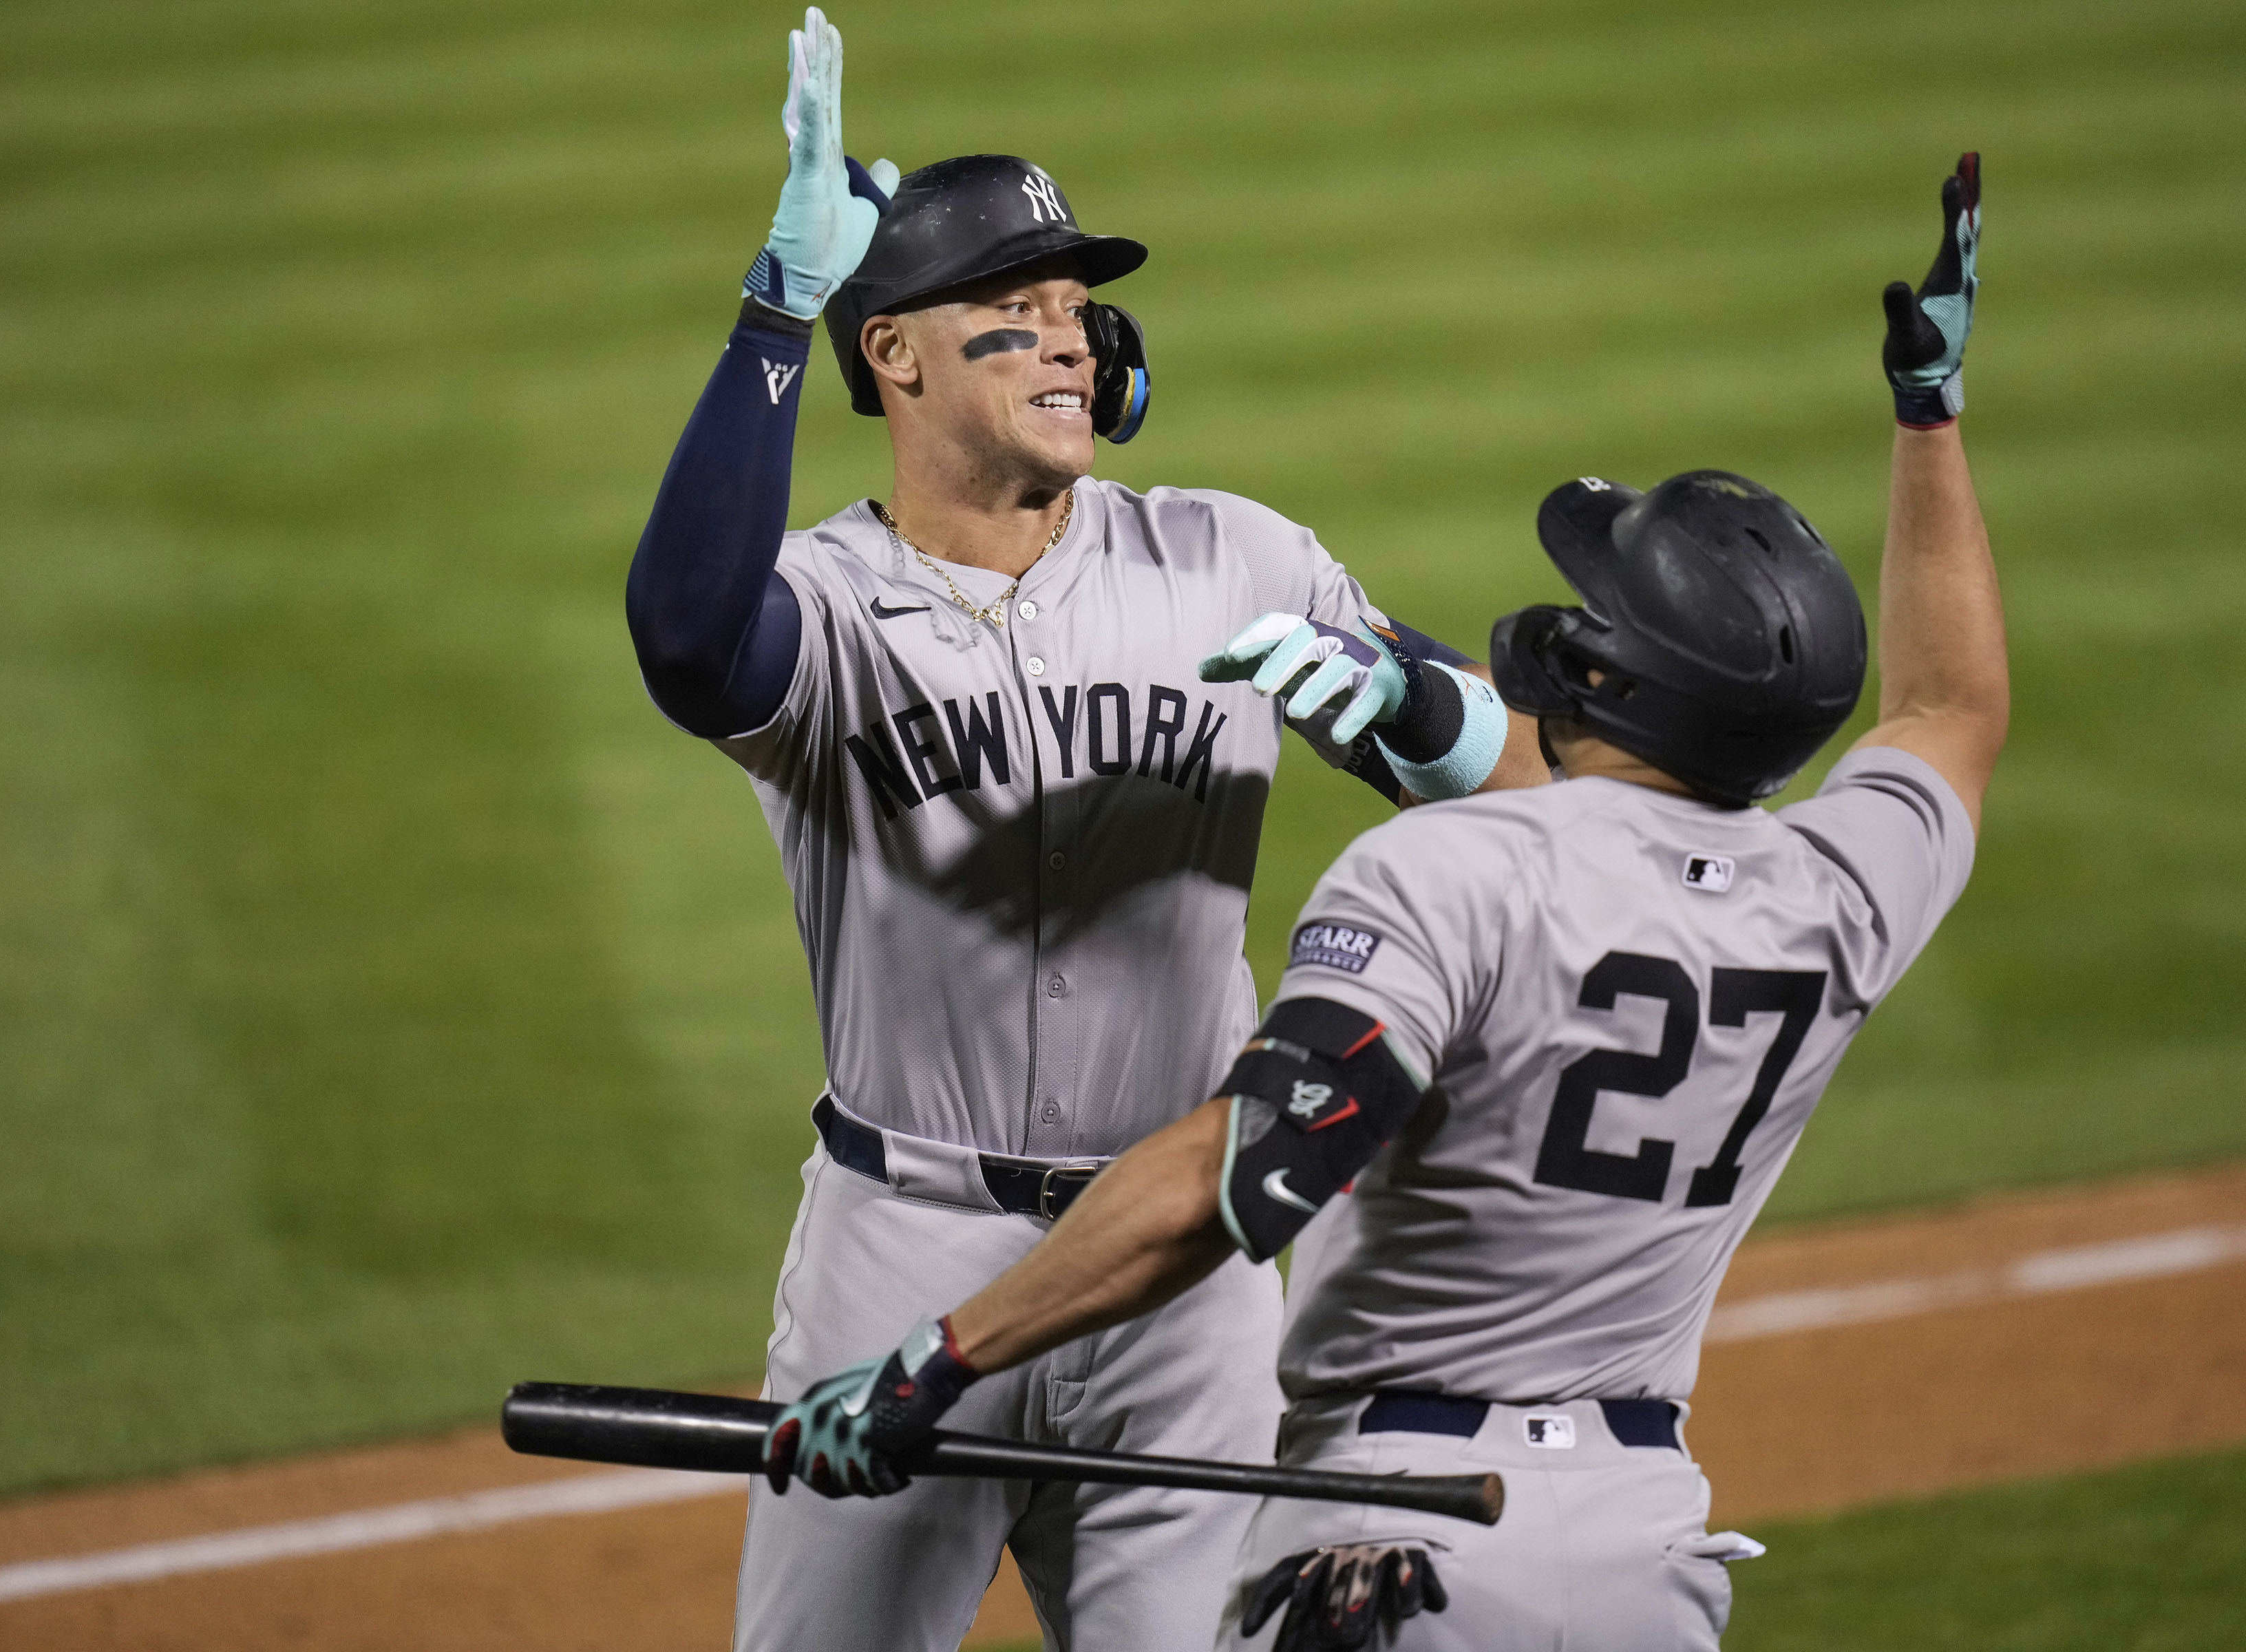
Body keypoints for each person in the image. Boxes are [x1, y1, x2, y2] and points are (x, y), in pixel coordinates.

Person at [761, 153, 2004, 1652]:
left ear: (1617, 686)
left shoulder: (1449, 882)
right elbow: (1947, 715)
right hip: (1644, 1538)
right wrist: (1928, 423)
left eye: (1600, 618)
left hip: (1400, 1537)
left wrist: (939, 1363)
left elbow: (1243, 1174)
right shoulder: (1837, 890)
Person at [624, 10, 1546, 1649]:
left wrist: (1410, 713)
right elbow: (692, 645)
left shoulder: (1237, 559)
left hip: (1186, 1256)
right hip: (902, 1249)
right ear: (894, 355)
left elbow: (1527, 781)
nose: (1068, 339)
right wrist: (777, 310)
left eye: (1076, 308)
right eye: (1013, 309)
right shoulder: (834, 607)